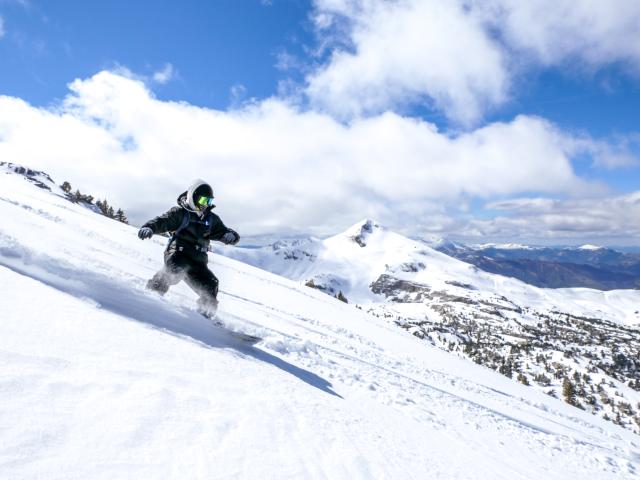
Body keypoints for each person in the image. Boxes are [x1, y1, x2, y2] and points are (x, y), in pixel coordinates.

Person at [137, 179, 240, 317]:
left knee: (211, 285)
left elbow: (223, 232)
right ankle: (151, 295)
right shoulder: (180, 213)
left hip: (198, 262)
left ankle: (204, 316)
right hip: (178, 254)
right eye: (204, 201)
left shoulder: (211, 219)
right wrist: (149, 227)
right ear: (194, 197)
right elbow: (163, 221)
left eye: (209, 202)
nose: (206, 205)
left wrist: (231, 236)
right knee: (175, 270)